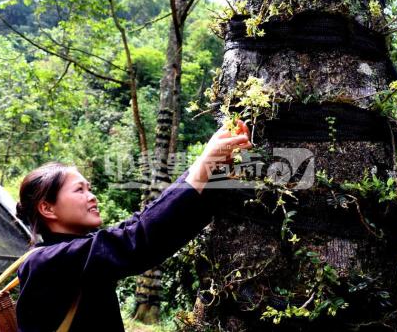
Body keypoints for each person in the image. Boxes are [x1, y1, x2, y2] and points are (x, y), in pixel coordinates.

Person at [15, 122, 251, 332]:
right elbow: (136, 241)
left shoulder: (75, 250)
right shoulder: (44, 262)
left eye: (89, 188)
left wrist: (211, 173)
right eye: (79, 190)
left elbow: (139, 224)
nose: (92, 196)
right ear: (47, 208)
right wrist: (203, 164)